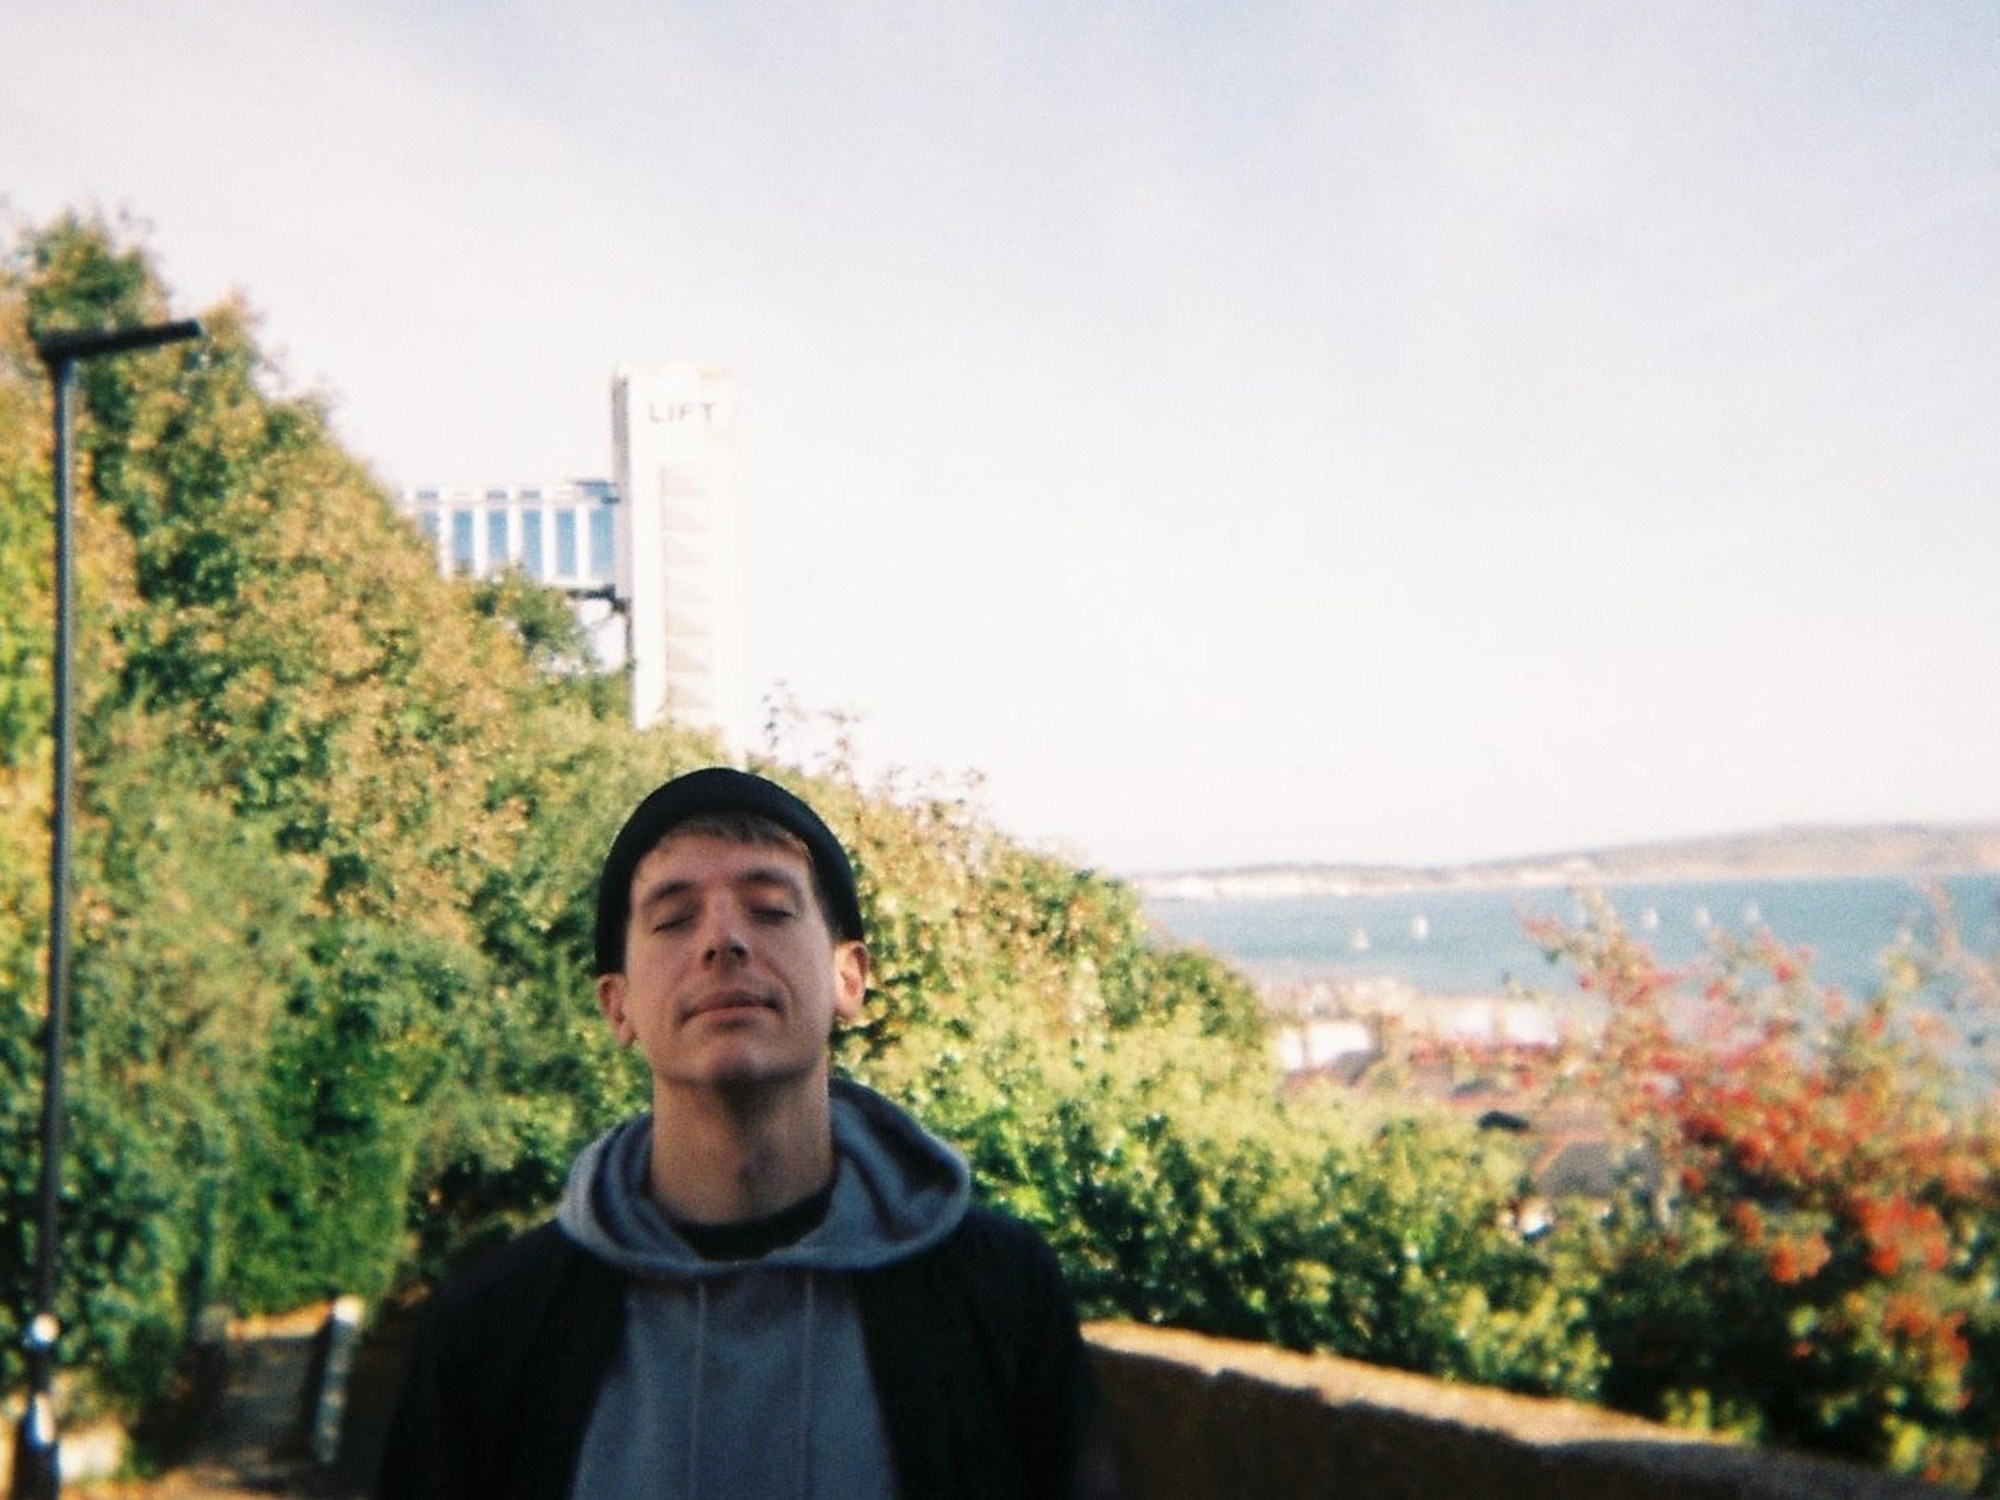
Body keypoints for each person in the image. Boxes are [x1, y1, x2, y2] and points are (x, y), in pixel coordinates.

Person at [378, 766, 1113, 1498]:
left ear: (849, 978)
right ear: (618, 1006)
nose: (724, 940)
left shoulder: (999, 1293)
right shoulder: (493, 1330)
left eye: (770, 909)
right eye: (673, 919)